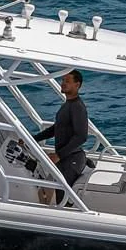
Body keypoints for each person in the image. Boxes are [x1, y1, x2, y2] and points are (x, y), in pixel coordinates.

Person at [33, 69, 89, 206]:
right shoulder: (67, 105)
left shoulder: (77, 107)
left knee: (64, 200)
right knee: (59, 195)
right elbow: (56, 129)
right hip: (66, 158)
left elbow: (81, 136)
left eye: (67, 81)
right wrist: (32, 140)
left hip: (72, 159)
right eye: (63, 80)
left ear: (77, 85)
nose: (63, 83)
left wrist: (59, 155)